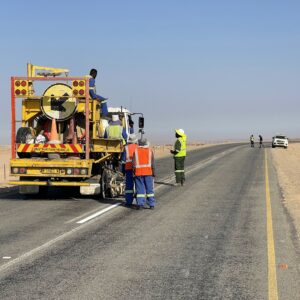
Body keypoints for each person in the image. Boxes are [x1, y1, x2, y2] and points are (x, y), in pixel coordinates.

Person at [132, 138, 155, 209]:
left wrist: (134, 172)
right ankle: (151, 204)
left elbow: (133, 164)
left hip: (138, 173)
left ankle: (140, 203)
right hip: (148, 173)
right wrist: (153, 173)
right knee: (149, 189)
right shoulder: (150, 151)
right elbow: (152, 164)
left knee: (140, 189)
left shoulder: (135, 151)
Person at [122, 134, 139, 207]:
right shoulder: (138, 147)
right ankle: (139, 201)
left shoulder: (126, 148)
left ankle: (129, 202)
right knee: (139, 185)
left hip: (128, 169)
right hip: (137, 169)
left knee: (129, 186)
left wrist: (123, 171)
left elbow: (123, 161)